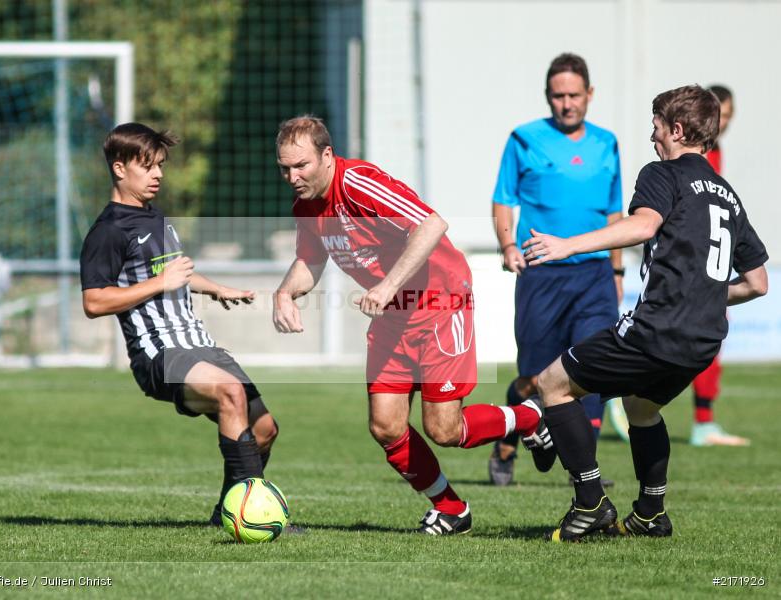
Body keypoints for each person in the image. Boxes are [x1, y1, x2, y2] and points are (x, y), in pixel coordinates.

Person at [272, 115, 553, 535]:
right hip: (392, 316)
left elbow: (432, 224)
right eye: (285, 168)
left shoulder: (358, 183)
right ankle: (452, 509)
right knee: (385, 425)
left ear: (327, 156)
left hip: (440, 303)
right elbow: (311, 261)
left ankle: (529, 419)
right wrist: (283, 293)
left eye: (301, 166)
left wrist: (386, 286)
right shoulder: (307, 207)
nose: (293, 176)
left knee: (444, 429)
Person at [523, 85, 768, 541]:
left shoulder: (663, 173)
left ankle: (590, 503)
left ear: (677, 130)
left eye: (656, 126)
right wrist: (708, 297)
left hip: (658, 329)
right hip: (702, 341)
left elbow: (643, 225)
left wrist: (567, 246)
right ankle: (652, 512)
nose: (651, 136)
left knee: (552, 385)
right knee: (640, 407)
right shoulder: (727, 194)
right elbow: (758, 283)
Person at [79, 122, 278, 526]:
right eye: (148, 166)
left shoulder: (155, 217)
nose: (158, 175)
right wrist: (160, 283)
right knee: (230, 393)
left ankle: (227, 510)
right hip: (159, 353)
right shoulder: (108, 231)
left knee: (265, 430)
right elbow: (94, 301)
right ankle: (249, 515)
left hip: (198, 344)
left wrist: (217, 288)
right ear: (120, 169)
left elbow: (174, 273)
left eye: (161, 166)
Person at [489, 52, 624, 485]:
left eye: (574, 95)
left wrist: (618, 274)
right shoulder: (523, 139)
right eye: (558, 96)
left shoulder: (608, 144)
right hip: (542, 274)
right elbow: (503, 199)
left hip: (594, 276)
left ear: (590, 95)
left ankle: (583, 471)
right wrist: (509, 245)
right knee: (533, 377)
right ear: (548, 97)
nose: (566, 104)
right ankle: (509, 438)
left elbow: (614, 215)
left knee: (594, 372)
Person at [689, 84, 749, 447]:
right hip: (696, 260)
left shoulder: (716, 150)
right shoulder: (697, 152)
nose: (722, 123)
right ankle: (702, 423)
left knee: (712, 334)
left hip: (711, 256)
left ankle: (703, 422)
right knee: (707, 334)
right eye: (717, 115)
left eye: (727, 116)